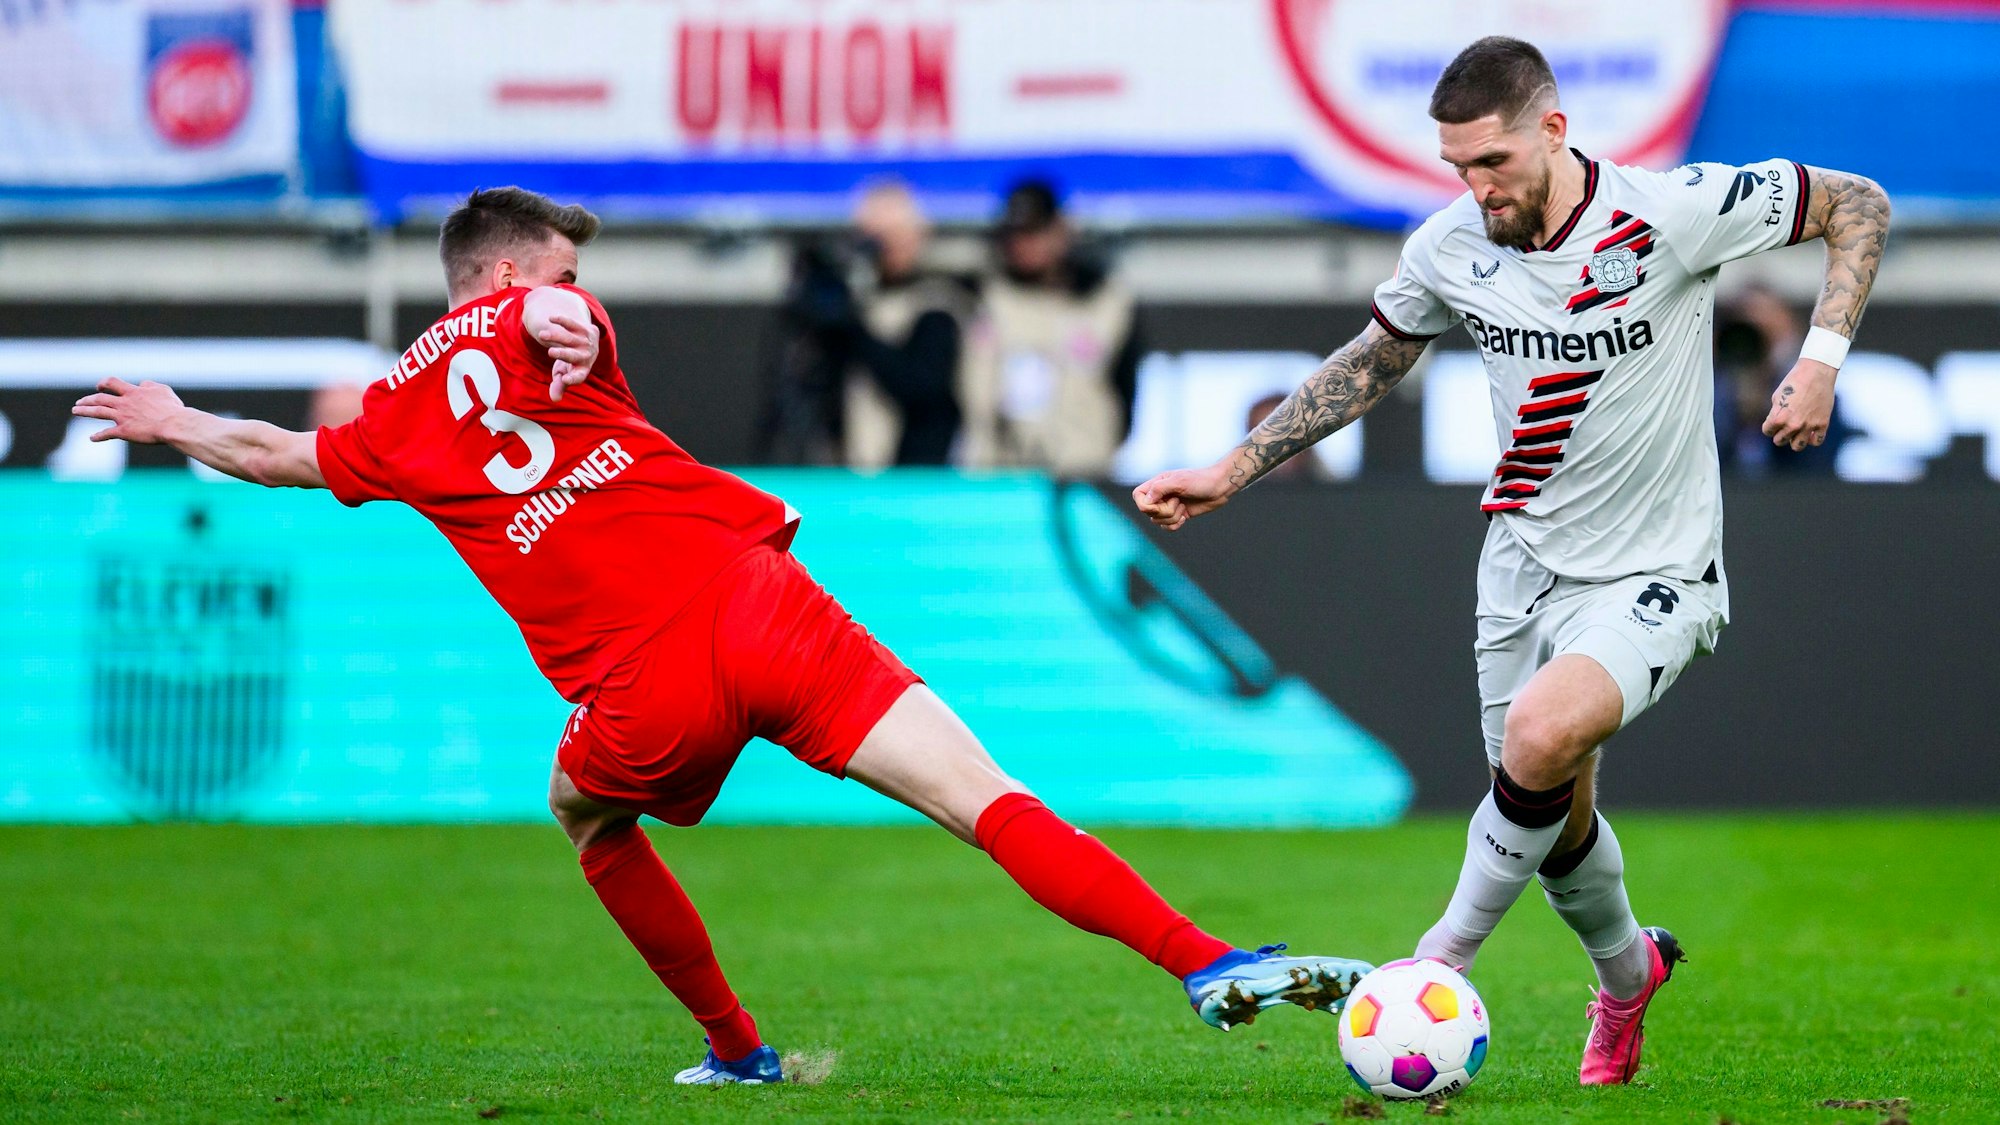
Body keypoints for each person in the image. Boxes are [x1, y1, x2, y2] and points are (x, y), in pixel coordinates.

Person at [73, 186, 1371, 1086]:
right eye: (567, 271)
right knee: (987, 799)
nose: (583, 294)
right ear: (513, 272)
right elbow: (540, 321)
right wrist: (557, 322)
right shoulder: (538, 315)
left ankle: (739, 1046)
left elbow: (281, 455)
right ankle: (1205, 960)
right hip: (764, 601)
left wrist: (175, 417)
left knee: (585, 817)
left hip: (646, 681)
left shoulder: (395, 410)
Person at [1132, 37, 1888, 1087]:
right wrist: (1233, 468)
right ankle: (1628, 978)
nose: (1474, 188)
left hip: (1654, 570)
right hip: (1520, 568)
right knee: (1550, 813)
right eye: (1455, 168)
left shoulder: (1669, 211)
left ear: (1552, 131)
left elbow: (1858, 202)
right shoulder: (1451, 245)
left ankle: (1430, 962)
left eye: (1491, 163)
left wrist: (1817, 362)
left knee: (1535, 741)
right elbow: (1371, 363)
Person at [963, 179, 1143, 475]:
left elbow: (1126, 387)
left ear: (1061, 230)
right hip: (1001, 474)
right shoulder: (984, 298)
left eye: (1035, 232)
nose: (1024, 245)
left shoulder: (1104, 300)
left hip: (1084, 470)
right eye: (1016, 234)